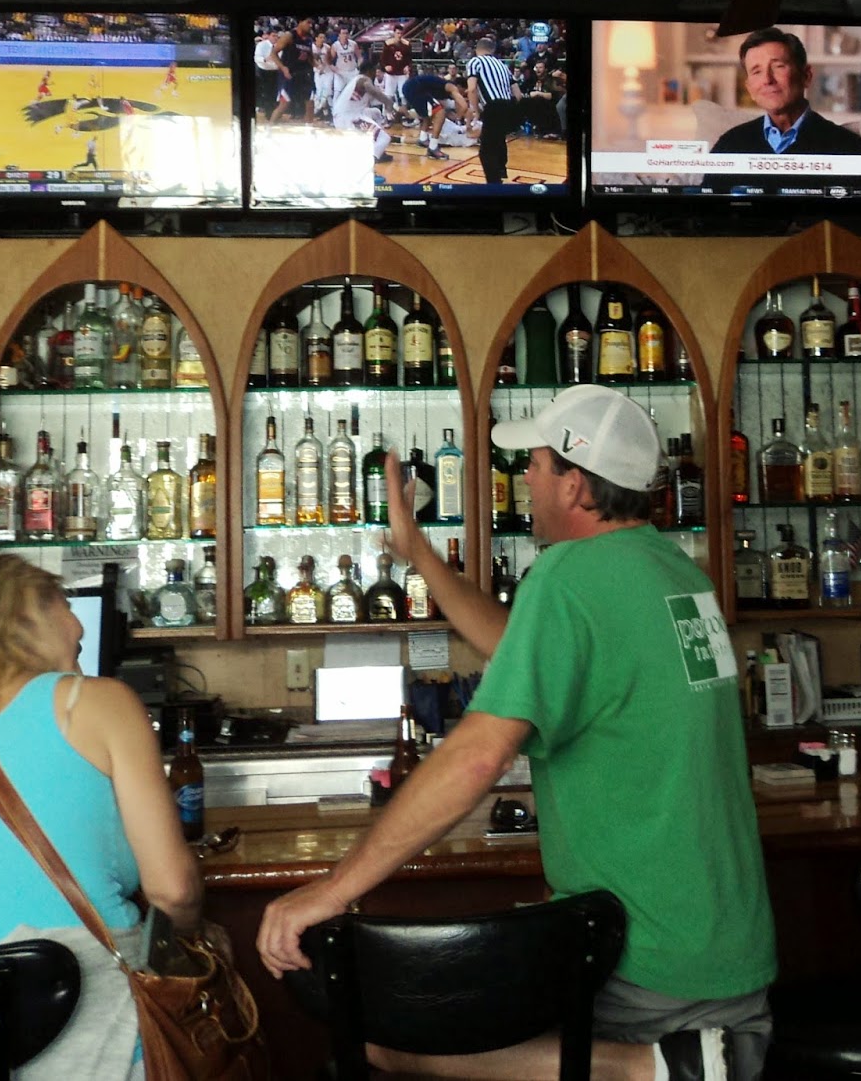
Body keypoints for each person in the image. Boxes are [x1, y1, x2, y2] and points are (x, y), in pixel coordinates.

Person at [257, 385, 777, 1080]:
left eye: (532, 463)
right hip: (727, 951)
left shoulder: (568, 575)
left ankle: (653, 1069)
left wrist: (333, 887)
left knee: (382, 1041)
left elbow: (476, 755)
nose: (523, 479)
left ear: (574, 482)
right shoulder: (671, 569)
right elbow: (513, 647)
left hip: (648, 970)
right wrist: (418, 553)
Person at [0, 554, 203, 1081]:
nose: (80, 624)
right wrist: (191, 940)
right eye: (66, 604)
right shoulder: (98, 702)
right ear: (27, 617)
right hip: (82, 1021)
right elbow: (173, 889)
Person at [709, 27, 861, 160]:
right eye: (756, 71)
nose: (767, 79)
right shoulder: (729, 144)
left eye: (778, 66)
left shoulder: (847, 146)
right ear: (750, 88)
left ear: (806, 76)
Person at [465, 34, 525, 183]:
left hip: (493, 106)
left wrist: (476, 112)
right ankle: (501, 170)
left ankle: (494, 184)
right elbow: (518, 94)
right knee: (498, 141)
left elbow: (471, 89)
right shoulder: (502, 65)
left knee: (486, 150)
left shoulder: (475, 61)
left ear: (477, 49)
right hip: (509, 106)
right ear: (492, 50)